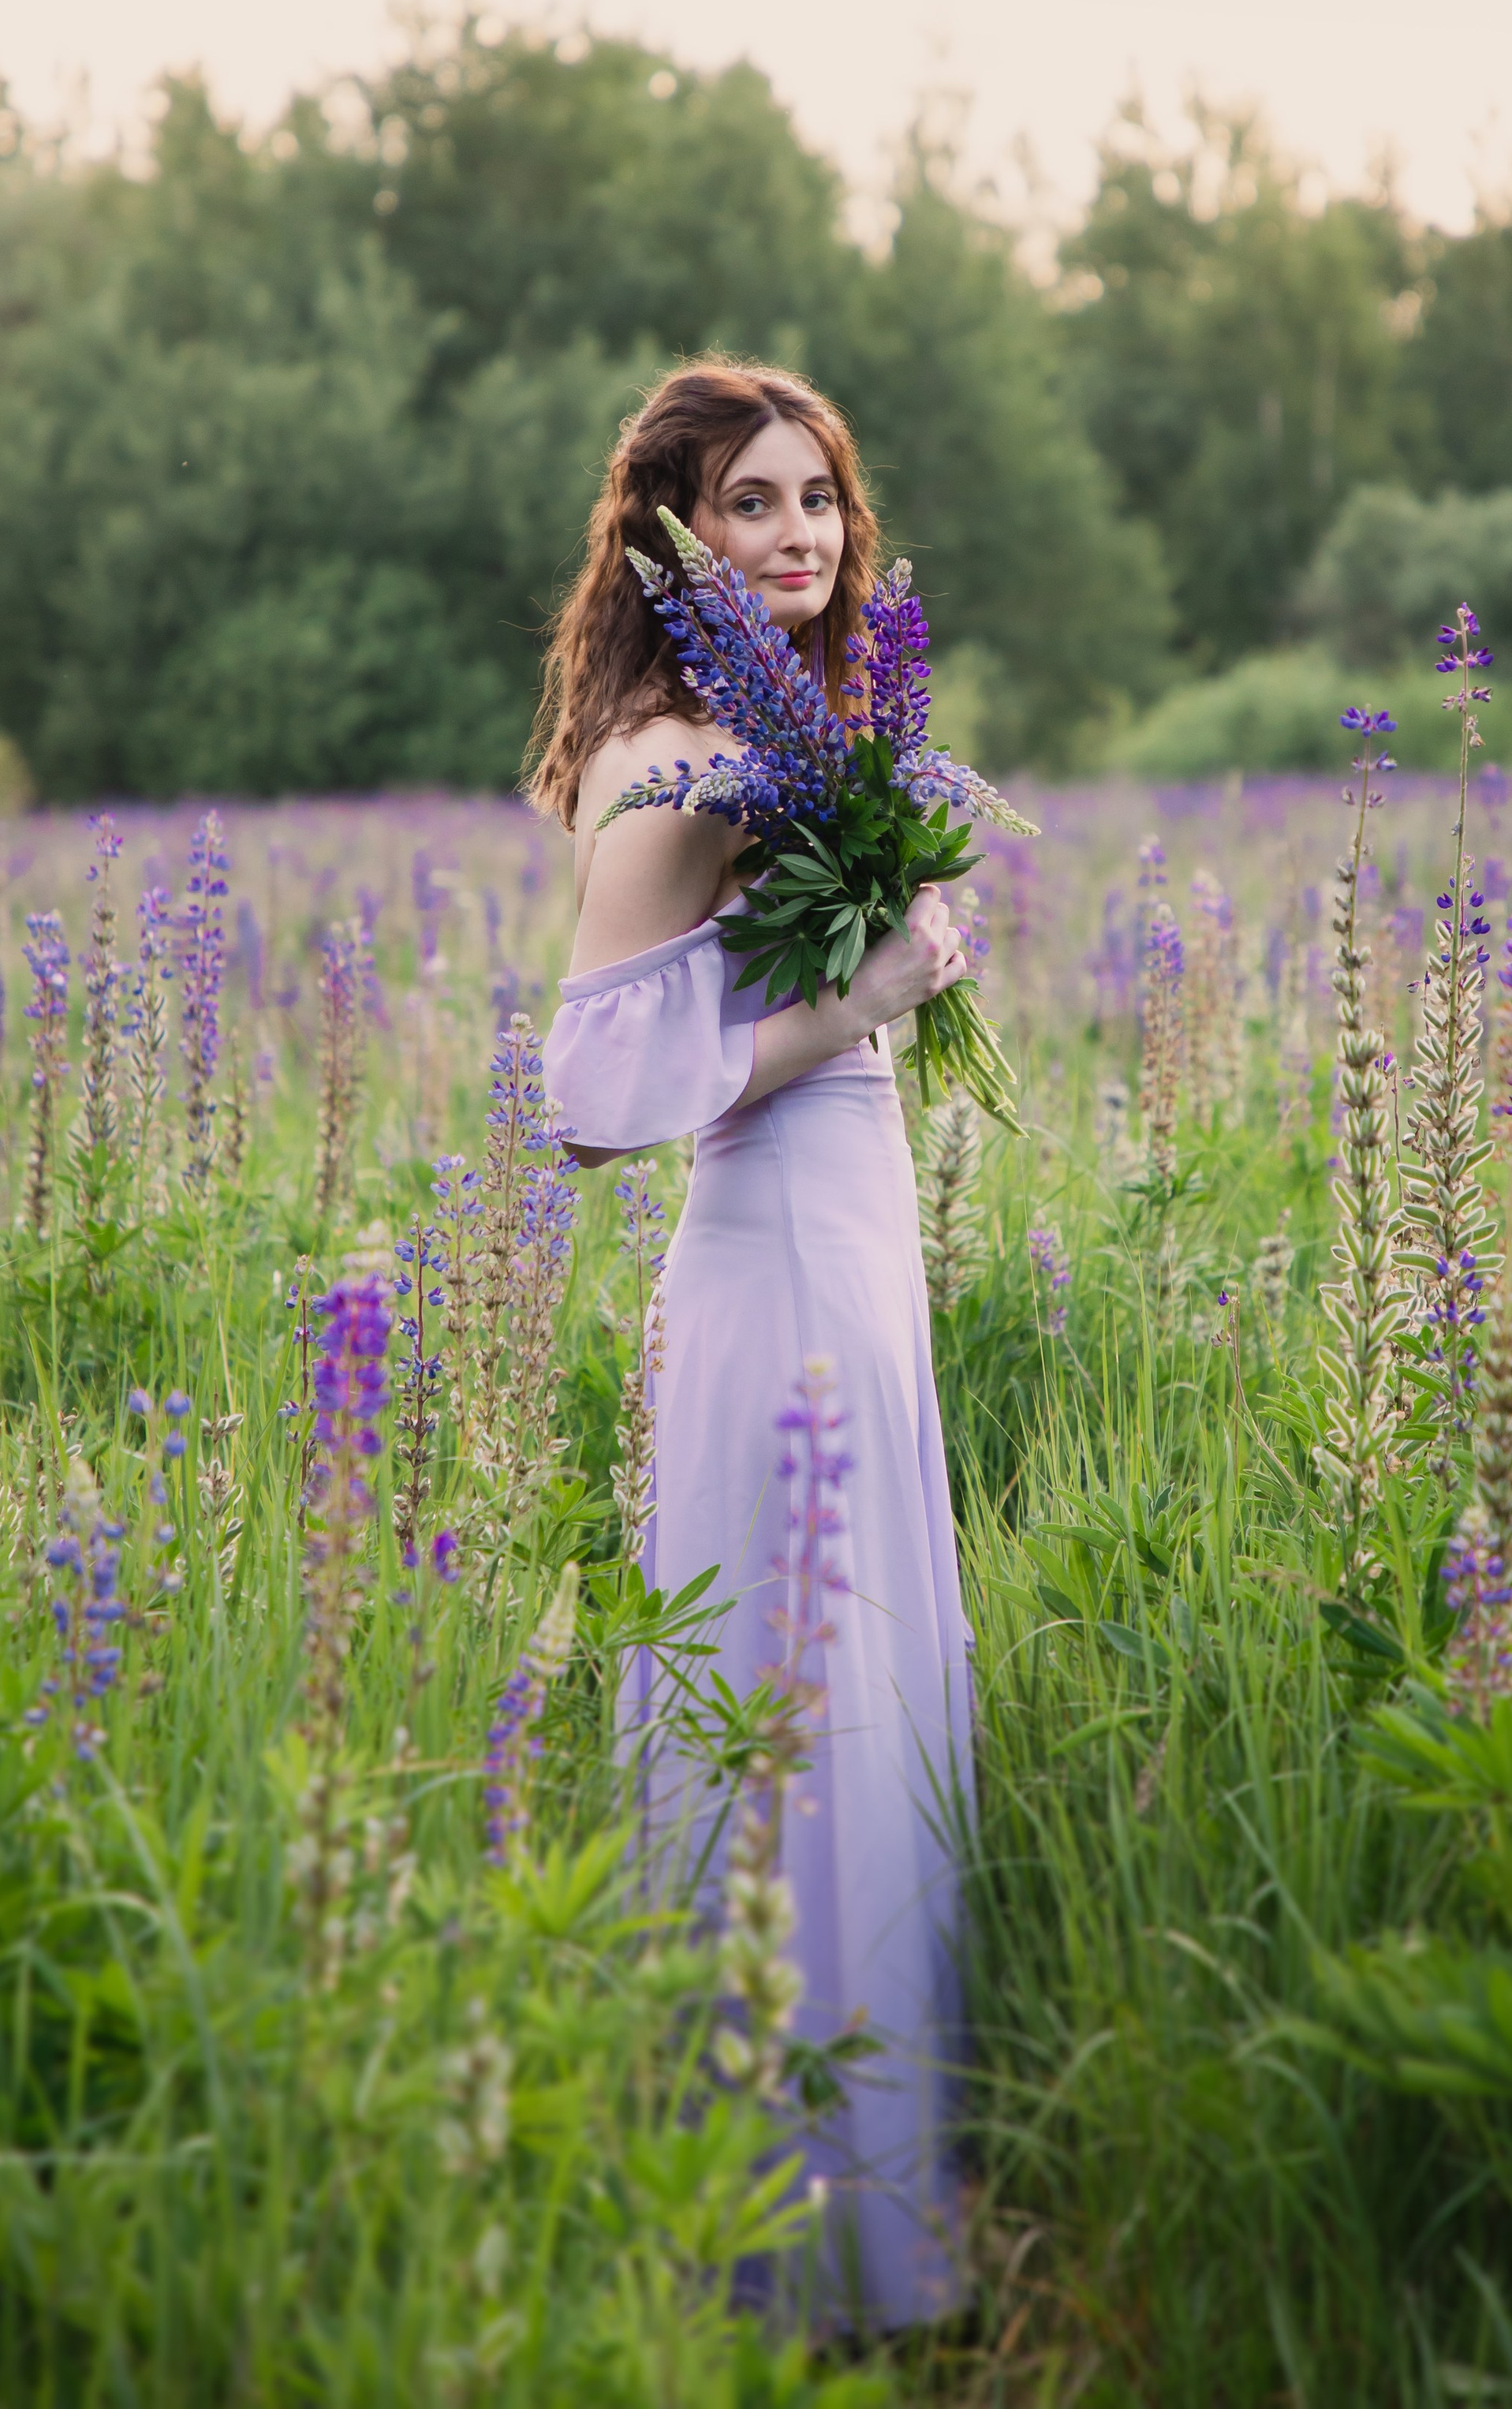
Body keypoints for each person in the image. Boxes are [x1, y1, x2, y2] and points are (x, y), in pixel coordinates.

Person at [528, 358, 975, 2332]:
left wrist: (893, 957)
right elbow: (592, 1091)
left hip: (850, 1235)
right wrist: (866, 988)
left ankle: (877, 2215)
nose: (795, 536)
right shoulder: (664, 761)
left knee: (865, 1675)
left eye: (816, 500)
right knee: (786, 1692)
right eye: (749, 506)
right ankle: (772, 2255)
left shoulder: (785, 726)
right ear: (671, 536)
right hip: (768, 1242)